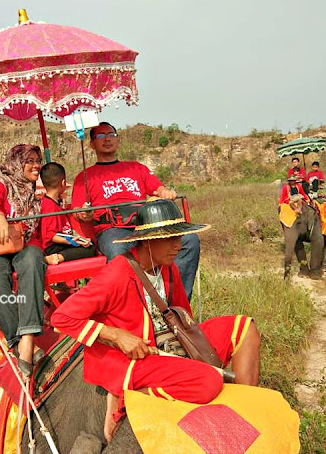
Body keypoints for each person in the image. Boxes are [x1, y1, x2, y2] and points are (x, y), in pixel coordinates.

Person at [51, 199, 260, 441]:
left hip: (168, 346)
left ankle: (245, 408)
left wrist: (192, 350)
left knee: (245, 327)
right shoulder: (116, 273)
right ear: (149, 240)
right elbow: (62, 317)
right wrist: (117, 335)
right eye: (171, 239)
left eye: (179, 238)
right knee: (209, 380)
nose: (179, 246)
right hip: (133, 358)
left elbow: (184, 316)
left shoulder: (167, 268)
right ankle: (127, 400)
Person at [71, 121, 201, 300]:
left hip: (144, 226)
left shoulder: (136, 168)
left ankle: (176, 303)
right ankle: (131, 308)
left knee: (189, 240)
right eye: (100, 136)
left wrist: (164, 192)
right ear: (92, 144)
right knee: (119, 252)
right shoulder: (84, 177)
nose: (107, 139)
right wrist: (85, 214)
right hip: (112, 230)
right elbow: (78, 210)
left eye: (111, 134)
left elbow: (157, 187)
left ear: (118, 140)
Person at [0, 144, 46, 376]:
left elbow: (36, 234)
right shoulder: (1, 185)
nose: (36, 165)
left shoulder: (35, 193)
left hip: (24, 246)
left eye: (38, 160)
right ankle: (17, 340)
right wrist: (0, 219)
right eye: (30, 161)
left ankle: (26, 339)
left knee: (33, 260)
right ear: (17, 163)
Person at [39, 162, 97, 265]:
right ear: (63, 183)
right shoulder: (48, 206)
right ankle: (58, 257)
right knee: (90, 249)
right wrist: (72, 242)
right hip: (53, 246)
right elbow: (50, 235)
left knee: (90, 243)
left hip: (63, 240)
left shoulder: (56, 203)